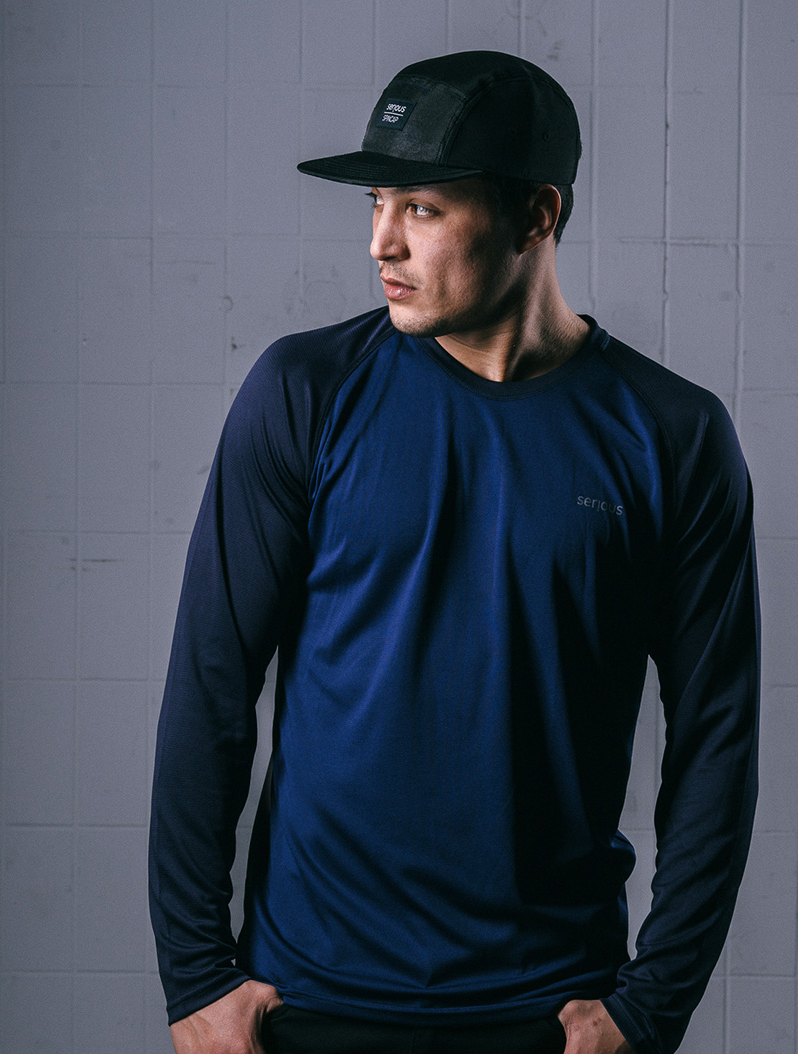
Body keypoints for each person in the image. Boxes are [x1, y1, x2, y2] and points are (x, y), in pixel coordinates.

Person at [149, 51, 759, 1054]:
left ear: (536, 216)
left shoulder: (673, 436)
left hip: (549, 1014)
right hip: (308, 1002)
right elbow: (210, 686)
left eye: (423, 208)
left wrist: (650, 1010)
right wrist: (195, 976)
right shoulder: (304, 392)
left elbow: (717, 739)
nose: (381, 241)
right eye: (377, 203)